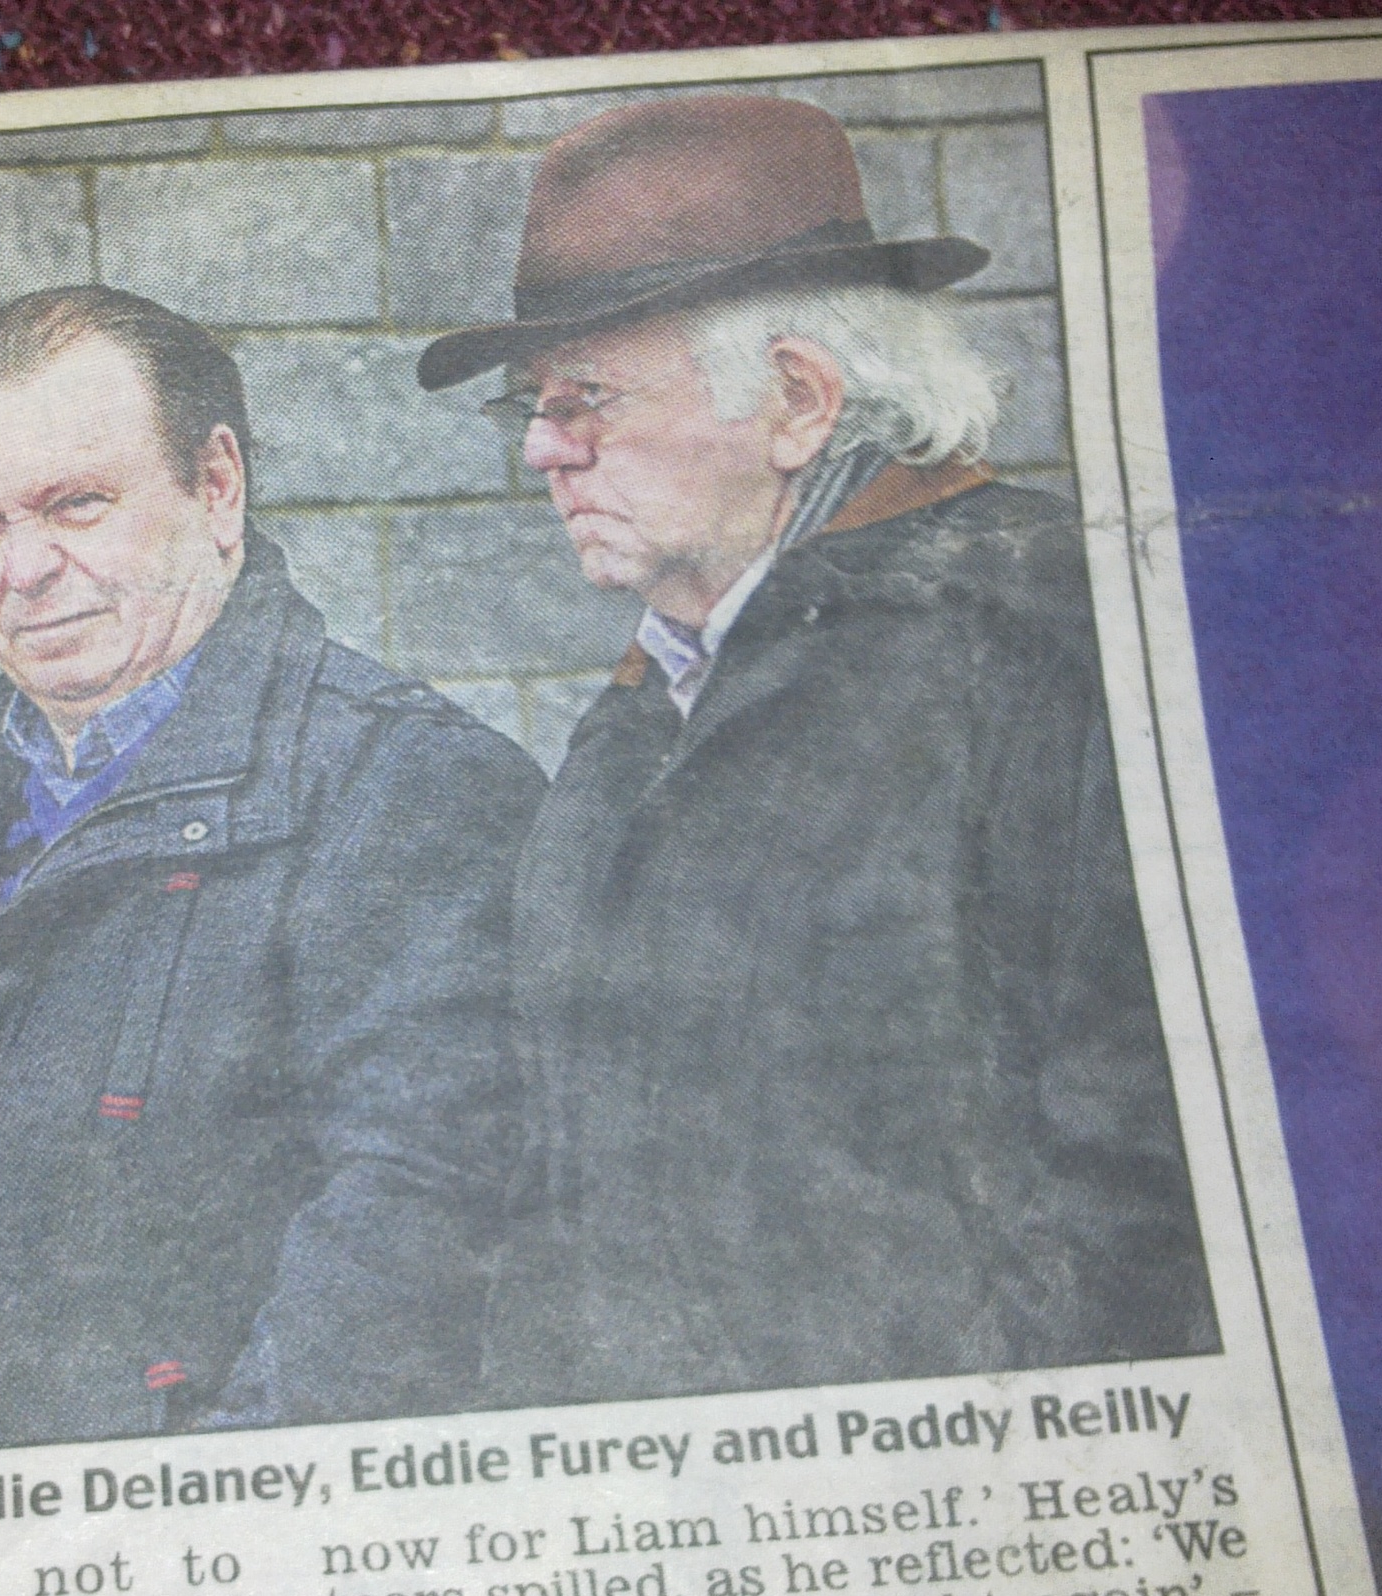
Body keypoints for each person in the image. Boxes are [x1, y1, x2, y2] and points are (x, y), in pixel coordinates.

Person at [414, 96, 1216, 1402]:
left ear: (797, 399)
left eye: (588, 399)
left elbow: (1145, 1179)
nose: (543, 450)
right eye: (534, 405)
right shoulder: (662, 676)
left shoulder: (1037, 642)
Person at [0, 285, 544, 1461]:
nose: (25, 570)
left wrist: (184, 1542)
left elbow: (412, 1235)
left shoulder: (402, 785)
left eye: (77, 507)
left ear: (218, 486)